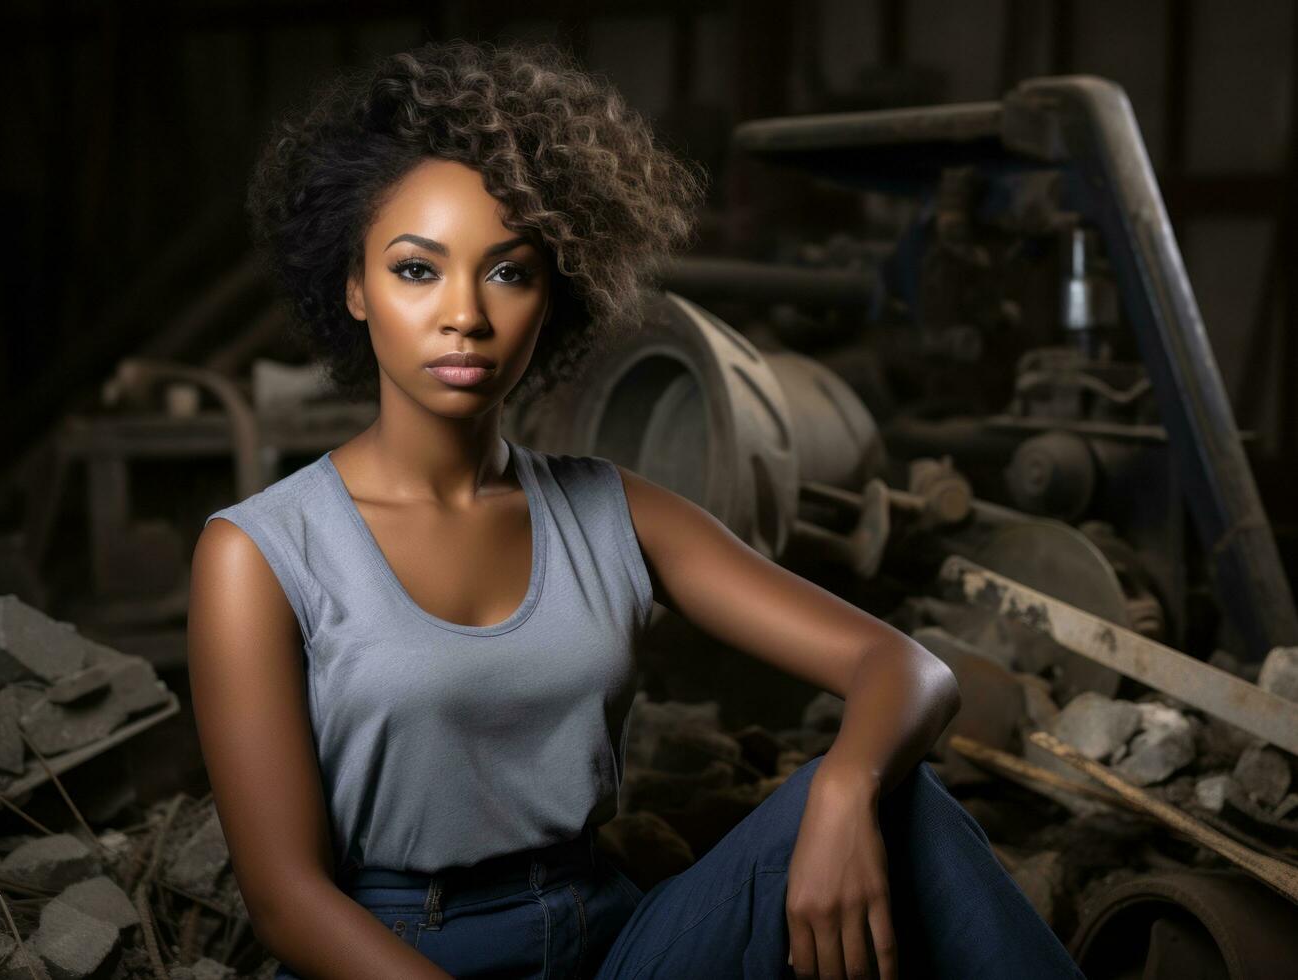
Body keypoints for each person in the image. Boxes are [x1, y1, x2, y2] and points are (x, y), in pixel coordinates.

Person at [186, 38, 1085, 980]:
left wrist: (842, 793)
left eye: (508, 271)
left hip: (610, 943)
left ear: (554, 295)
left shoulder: (611, 510)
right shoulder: (262, 550)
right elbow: (288, 900)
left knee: (898, 804)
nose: (464, 314)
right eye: (417, 270)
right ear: (354, 288)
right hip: (396, 954)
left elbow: (904, 669)